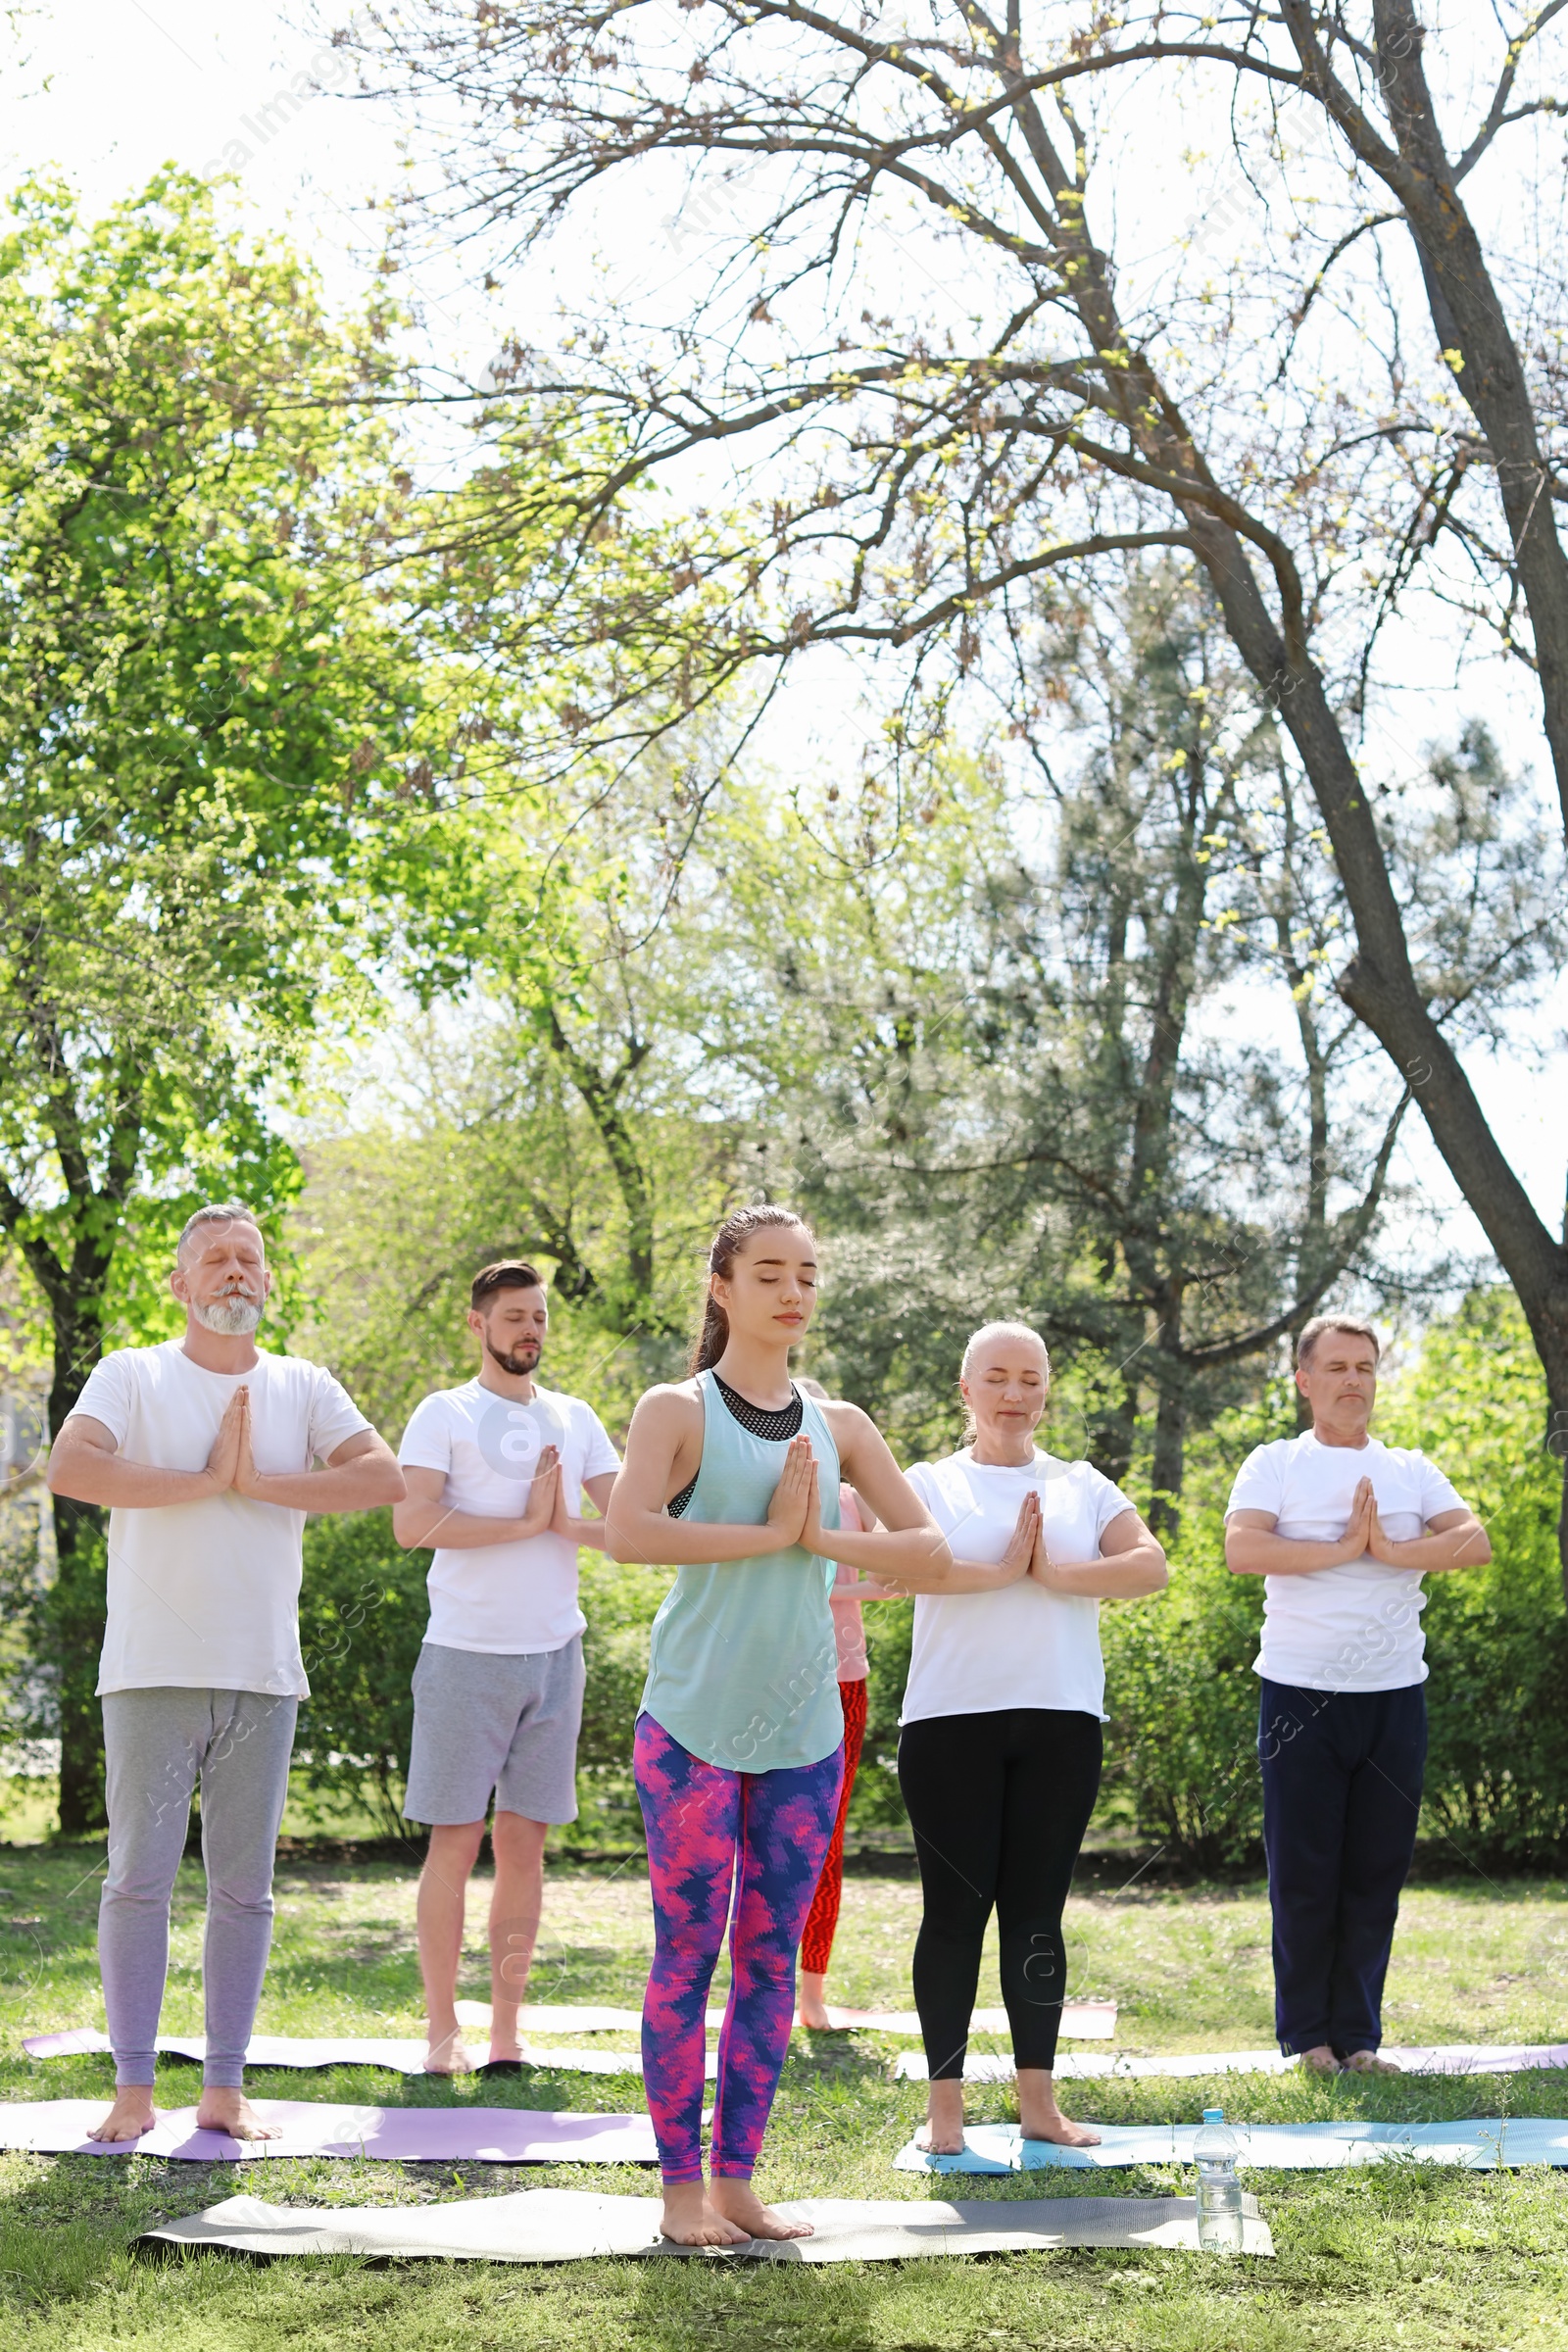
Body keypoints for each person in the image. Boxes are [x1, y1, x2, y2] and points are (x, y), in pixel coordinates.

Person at [605, 1204, 1001, 2247]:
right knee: (687, 1954)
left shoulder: (846, 1427)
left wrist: (811, 1536)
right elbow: (627, 1535)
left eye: (809, 1275)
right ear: (722, 1288)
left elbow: (932, 1555)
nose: (793, 1291)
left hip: (804, 1736)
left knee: (771, 1960)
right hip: (689, 1725)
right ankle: (681, 2196)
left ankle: (739, 2185)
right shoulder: (675, 1408)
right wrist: (764, 1535)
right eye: (770, 1272)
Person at [45, 1202, 403, 2144]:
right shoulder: (133, 1374)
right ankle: (132, 2090)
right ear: (181, 1284)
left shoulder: (304, 1384)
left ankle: (224, 2089)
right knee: (139, 1881)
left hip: (261, 1674)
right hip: (152, 1670)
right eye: (215, 1259)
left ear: (268, 1280)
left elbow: (382, 1478)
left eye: (249, 1258)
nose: (235, 1271)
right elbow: (72, 1467)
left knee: (244, 1887)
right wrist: (204, 1479)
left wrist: (258, 1483)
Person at [899, 1321, 1168, 2155]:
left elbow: (1150, 1565)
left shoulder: (1082, 1485)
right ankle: (946, 2115)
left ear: (1046, 1391)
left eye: (1030, 1379)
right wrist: (996, 1572)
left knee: (1037, 1918)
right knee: (953, 1918)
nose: (1014, 1394)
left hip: (1059, 1723)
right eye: (997, 1378)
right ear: (966, 1389)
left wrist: (1055, 1574)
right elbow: (891, 1570)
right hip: (949, 1724)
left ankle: (1037, 2104)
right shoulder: (927, 1481)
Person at [1225, 1315, 1491, 2077]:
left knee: (1376, 1874)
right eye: (1337, 1367)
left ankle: (1361, 2039)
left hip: (1393, 1698)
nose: (1353, 1381)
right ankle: (1307, 2039)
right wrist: (1342, 1549)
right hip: (1299, 1693)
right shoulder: (1275, 1462)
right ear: (1304, 1380)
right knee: (1305, 1875)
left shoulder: (1410, 1468)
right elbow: (1243, 1548)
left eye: (1365, 1368)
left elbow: (1473, 1542)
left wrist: (1394, 1550)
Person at [393, 1260, 620, 2073]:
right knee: (453, 1845)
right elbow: (411, 1522)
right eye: (514, 1316)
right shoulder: (443, 1411)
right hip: (464, 1657)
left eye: (539, 1317)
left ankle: (504, 2033)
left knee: (525, 1846)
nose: (529, 1330)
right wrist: (527, 1525)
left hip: (556, 1655)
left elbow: (626, 1524)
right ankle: (441, 2032)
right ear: (478, 1325)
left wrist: (561, 1523)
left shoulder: (575, 1416)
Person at [791, 1378, 887, 2032]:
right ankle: (759, 1987)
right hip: (770, 1685)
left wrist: (835, 1578)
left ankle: (812, 1995)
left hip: (844, 1682)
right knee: (766, 1840)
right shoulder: (765, 1496)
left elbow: (899, 1573)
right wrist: (846, 1581)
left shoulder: (855, 1501)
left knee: (826, 1841)